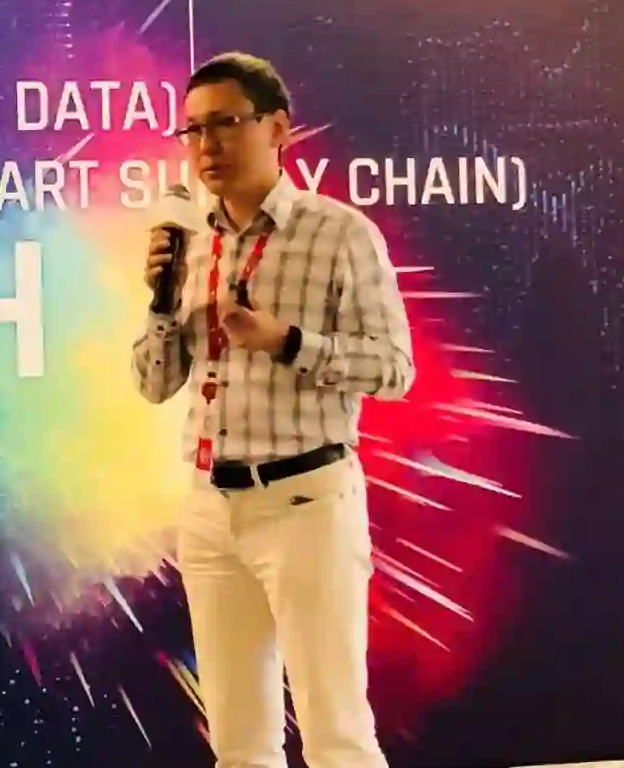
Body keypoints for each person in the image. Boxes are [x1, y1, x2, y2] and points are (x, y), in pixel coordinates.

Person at [131, 52, 415, 768]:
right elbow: (154, 385)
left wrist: (287, 342)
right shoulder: (186, 240)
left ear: (278, 129)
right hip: (209, 509)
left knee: (337, 736)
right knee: (238, 744)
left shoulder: (339, 233)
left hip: (305, 503)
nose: (206, 146)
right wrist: (161, 304)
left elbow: (394, 369)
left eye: (225, 123)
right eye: (192, 130)